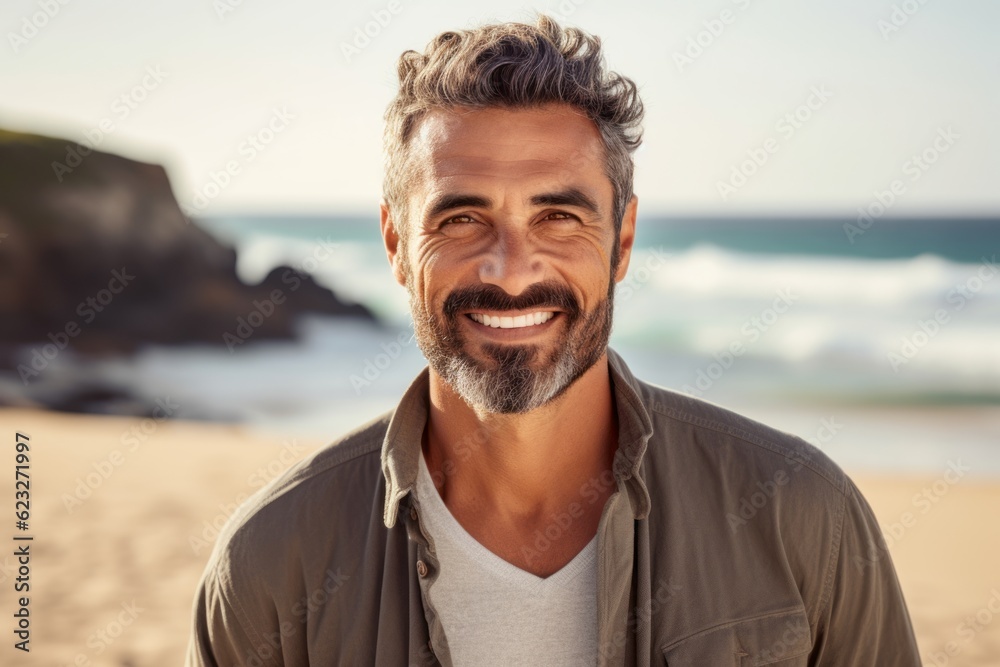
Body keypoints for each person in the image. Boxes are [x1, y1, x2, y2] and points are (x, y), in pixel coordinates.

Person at [186, 15, 920, 666]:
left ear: (622, 241)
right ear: (396, 245)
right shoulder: (271, 561)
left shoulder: (800, 513)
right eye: (461, 220)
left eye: (558, 218)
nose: (511, 272)